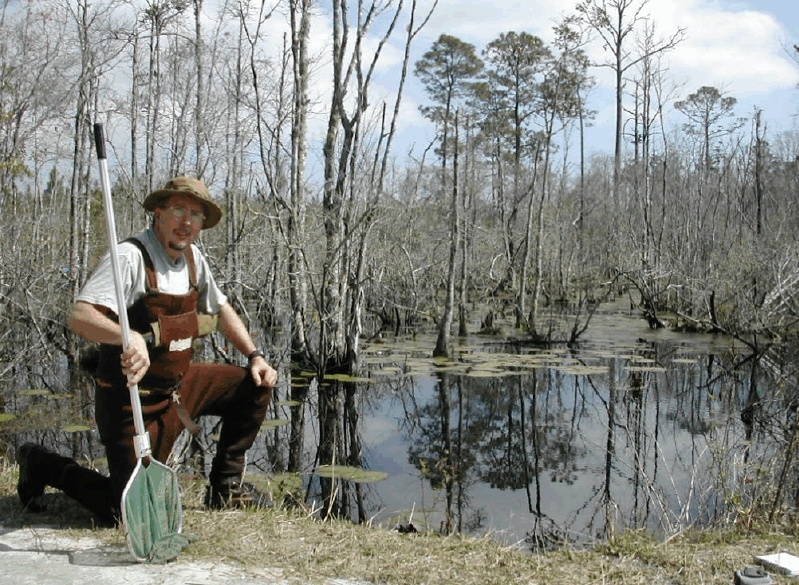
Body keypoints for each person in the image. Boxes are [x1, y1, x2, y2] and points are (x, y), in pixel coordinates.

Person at [17, 176, 278, 525]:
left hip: (177, 390)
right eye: (179, 210)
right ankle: (41, 463)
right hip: (130, 401)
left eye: (196, 215)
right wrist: (128, 337)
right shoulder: (131, 256)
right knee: (126, 513)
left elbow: (219, 310)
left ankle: (225, 488)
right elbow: (80, 317)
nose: (187, 222)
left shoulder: (194, 259)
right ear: (159, 213)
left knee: (254, 384)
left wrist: (255, 355)